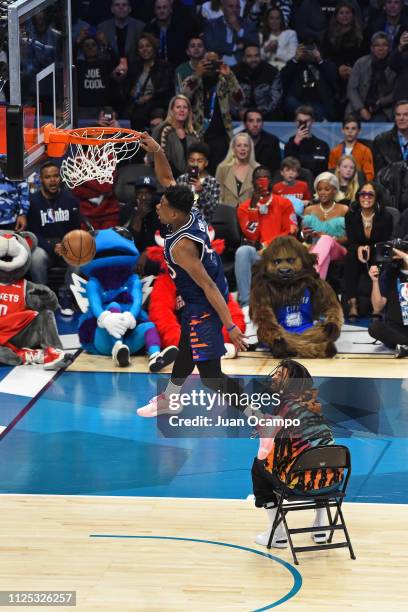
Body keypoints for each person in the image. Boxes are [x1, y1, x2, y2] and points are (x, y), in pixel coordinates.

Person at [136, 134, 249, 418]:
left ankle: (260, 419)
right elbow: (167, 179)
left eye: (162, 206)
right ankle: (171, 398)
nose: (157, 206)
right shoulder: (189, 208)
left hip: (205, 304)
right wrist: (159, 150)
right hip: (198, 297)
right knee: (186, 349)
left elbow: (207, 285)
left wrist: (231, 326)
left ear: (173, 214)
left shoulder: (182, 247)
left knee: (211, 376)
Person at [252, 359, 342, 548]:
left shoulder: (285, 408)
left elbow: (265, 451)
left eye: (279, 375)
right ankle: (321, 528)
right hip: (332, 482)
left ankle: (277, 534)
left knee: (258, 467)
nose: (274, 377)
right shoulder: (314, 405)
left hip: (301, 485)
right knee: (320, 463)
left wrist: (261, 427)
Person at [234, 166, 297, 334]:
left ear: (271, 181)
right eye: (259, 178)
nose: (262, 181)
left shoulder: (284, 203)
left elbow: (291, 231)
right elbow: (252, 235)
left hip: (280, 253)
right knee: (242, 252)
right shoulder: (244, 207)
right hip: (258, 255)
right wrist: (254, 208)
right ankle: (246, 305)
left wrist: (268, 245)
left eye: (266, 177)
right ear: (253, 183)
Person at [26, 162, 81, 316]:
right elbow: (33, 232)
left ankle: (67, 298)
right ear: (41, 180)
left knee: (79, 255)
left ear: (60, 178)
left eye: (55, 176)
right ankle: (43, 297)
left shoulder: (70, 200)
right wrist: (52, 247)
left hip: (66, 246)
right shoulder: (32, 201)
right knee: (36, 256)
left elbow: (75, 230)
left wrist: (66, 246)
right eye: (48, 177)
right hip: (45, 247)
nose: (52, 180)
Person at [181, 51, 244, 173]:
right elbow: (183, 96)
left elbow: (240, 100)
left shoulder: (224, 81)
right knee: (197, 174)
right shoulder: (195, 80)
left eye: (214, 63)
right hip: (197, 137)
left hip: (220, 138)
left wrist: (230, 75)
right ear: (201, 63)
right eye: (207, 62)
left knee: (219, 174)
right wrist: (197, 74)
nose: (210, 66)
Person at [344, 181, 394, 321]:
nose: (366, 197)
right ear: (358, 196)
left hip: (378, 252)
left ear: (376, 196)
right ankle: (352, 304)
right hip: (357, 254)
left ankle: (377, 308)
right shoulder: (351, 215)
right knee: (350, 257)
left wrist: (370, 249)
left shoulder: (386, 216)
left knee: (381, 259)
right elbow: (351, 241)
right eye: (362, 194)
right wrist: (358, 248)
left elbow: (385, 242)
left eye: (370, 194)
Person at [302, 173, 348, 279]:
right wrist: (303, 234)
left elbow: (350, 237)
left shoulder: (344, 209)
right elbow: (303, 236)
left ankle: (311, 276)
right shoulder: (309, 210)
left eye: (326, 189)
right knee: (323, 256)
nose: (322, 193)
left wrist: (329, 238)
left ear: (335, 190)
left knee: (326, 239)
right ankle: (318, 284)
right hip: (314, 247)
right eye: (319, 189)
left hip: (338, 248)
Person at [280, 40, 338, 121]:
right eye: (305, 50)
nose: (308, 52)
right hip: (299, 100)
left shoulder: (325, 64)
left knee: (321, 109)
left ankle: (315, 120)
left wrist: (319, 59)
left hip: (318, 101)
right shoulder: (295, 64)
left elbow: (333, 78)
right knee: (290, 102)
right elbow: (283, 77)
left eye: (311, 49)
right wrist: (295, 58)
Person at [322, 1, 364, 111]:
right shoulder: (328, 35)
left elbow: (365, 56)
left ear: (353, 15)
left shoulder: (363, 34)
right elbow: (326, 56)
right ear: (336, 16)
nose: (345, 16)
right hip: (335, 74)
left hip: (357, 71)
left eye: (347, 13)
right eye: (341, 13)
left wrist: (353, 70)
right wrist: (338, 68)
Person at [346, 31, 396, 122]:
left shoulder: (394, 65)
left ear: (389, 48)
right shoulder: (361, 63)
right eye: (377, 45)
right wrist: (361, 109)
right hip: (358, 107)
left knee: (379, 125)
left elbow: (398, 91)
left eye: (384, 45)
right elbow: (351, 89)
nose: (381, 48)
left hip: (383, 109)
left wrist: (381, 102)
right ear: (372, 48)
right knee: (352, 124)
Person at [119, 175, 164, 276]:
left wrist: (148, 253)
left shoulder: (162, 208)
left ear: (154, 194)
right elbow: (128, 243)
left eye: (148, 193)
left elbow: (165, 239)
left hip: (156, 253)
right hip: (133, 253)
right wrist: (138, 216)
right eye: (140, 193)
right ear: (135, 194)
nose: (143, 197)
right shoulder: (127, 209)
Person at [127, 33, 172, 131]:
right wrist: (131, 91)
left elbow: (165, 88)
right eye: (141, 47)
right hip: (137, 104)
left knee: (141, 116)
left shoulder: (163, 66)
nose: (145, 49)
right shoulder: (134, 67)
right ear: (138, 51)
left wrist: (149, 97)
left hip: (156, 102)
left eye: (148, 46)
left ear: (153, 48)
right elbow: (127, 88)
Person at [367, 247, 408, 356]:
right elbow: (377, 307)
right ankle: (404, 344)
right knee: (374, 327)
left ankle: (404, 345)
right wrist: (375, 281)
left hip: (399, 336)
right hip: (396, 329)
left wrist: (401, 254)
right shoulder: (390, 274)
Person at [151, 95, 200, 179]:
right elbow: (159, 159)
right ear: (172, 110)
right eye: (178, 107)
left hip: (189, 182)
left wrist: (193, 179)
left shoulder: (193, 134)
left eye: (185, 107)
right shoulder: (162, 130)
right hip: (166, 181)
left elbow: (197, 161)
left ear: (189, 112)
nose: (182, 110)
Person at [144, 0, 200, 69]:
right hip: (156, 70)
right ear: (155, 11)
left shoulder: (183, 27)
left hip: (178, 67)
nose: (162, 11)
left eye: (165, 7)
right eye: (159, 8)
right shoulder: (149, 28)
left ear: (171, 10)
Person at [231, 44, 282, 120]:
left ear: (260, 57)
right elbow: (226, 98)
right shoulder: (233, 72)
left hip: (265, 114)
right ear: (243, 58)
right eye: (249, 56)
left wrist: (257, 112)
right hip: (239, 114)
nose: (253, 59)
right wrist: (238, 111)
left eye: (256, 56)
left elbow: (276, 100)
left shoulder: (272, 72)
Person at [203, 0, 259, 66]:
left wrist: (238, 29)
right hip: (217, 64)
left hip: (241, 64)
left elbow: (254, 42)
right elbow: (210, 44)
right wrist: (234, 47)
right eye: (230, 6)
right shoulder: (212, 24)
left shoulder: (248, 24)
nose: (234, 9)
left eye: (237, 7)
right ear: (223, 8)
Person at [176, 142, 221, 224]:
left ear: (206, 163)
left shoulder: (212, 182)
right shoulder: (181, 180)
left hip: (204, 225)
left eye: (199, 161)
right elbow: (175, 205)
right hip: (183, 225)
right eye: (192, 160)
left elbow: (213, 209)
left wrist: (202, 191)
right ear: (188, 162)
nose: (195, 164)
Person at [284, 106, 330, 178]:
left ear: (312, 122)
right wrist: (295, 143)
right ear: (295, 122)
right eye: (300, 121)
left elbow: (325, 171)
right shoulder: (289, 146)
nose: (303, 124)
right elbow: (288, 169)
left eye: (306, 121)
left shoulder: (323, 145)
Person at [215, 132, 259, 208]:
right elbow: (217, 195)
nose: (243, 149)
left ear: (250, 149)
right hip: (227, 215)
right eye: (239, 145)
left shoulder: (257, 169)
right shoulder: (223, 168)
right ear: (233, 148)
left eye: (246, 146)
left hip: (248, 214)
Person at [328, 116, 375, 181]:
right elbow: (331, 173)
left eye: (353, 128)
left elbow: (369, 175)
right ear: (342, 130)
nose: (350, 131)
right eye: (347, 128)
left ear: (359, 131)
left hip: (358, 187)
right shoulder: (335, 151)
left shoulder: (365, 151)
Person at [373, 99, 408, 172]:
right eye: (398, 115)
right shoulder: (381, 141)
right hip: (391, 183)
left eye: (406, 115)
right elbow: (379, 174)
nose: (401, 118)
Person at [259, 6, 298, 71]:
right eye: (271, 18)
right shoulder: (261, 35)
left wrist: (276, 51)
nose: (274, 21)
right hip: (267, 71)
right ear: (267, 20)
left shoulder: (290, 34)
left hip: (286, 70)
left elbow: (293, 58)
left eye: (277, 18)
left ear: (281, 20)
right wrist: (266, 49)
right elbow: (257, 58)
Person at [243, 109, 281, 176]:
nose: (255, 124)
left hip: (266, 180)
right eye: (251, 121)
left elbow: (276, 169)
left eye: (258, 121)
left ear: (262, 123)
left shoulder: (272, 141)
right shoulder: (237, 141)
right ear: (245, 124)